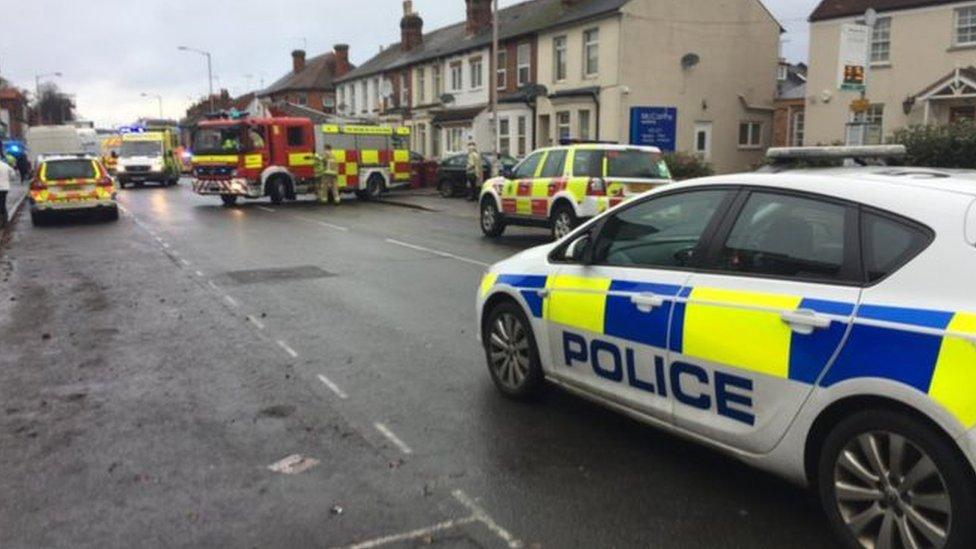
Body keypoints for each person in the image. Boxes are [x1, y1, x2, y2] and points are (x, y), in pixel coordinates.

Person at [0, 147, 15, 229]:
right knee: (2, 203)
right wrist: (9, 179)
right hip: (5, 188)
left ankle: (3, 221)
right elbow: (13, 175)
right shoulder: (5, 165)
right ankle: (4, 221)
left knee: (1, 205)